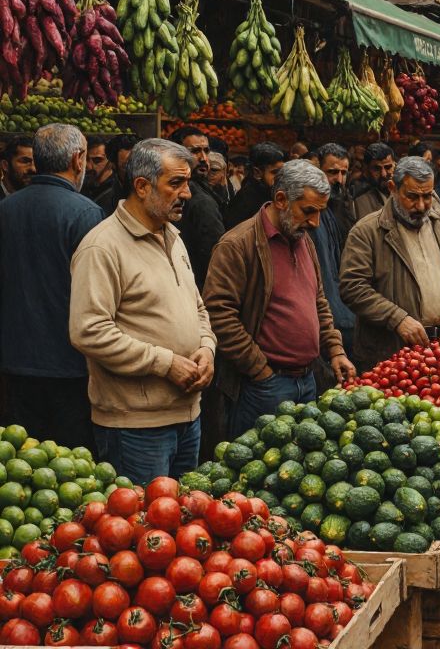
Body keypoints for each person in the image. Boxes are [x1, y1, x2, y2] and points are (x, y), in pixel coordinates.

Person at [69, 139, 216, 484]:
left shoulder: (173, 237)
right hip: (135, 426)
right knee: (144, 530)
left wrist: (208, 348)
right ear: (142, 185)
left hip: (187, 415)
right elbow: (88, 330)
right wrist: (164, 363)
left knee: (181, 524)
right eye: (176, 183)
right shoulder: (102, 247)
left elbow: (197, 306)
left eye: (188, 183)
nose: (187, 194)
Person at [205, 161, 355, 436]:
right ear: (281, 199)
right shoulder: (238, 245)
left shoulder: (302, 239)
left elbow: (318, 301)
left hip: (308, 380)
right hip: (265, 386)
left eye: (320, 212)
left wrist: (335, 351)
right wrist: (259, 369)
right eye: (308, 211)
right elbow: (219, 314)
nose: (315, 222)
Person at [0, 124, 104, 447]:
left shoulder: (5, 209)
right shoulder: (85, 213)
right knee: (69, 465)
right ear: (78, 160)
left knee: (20, 462)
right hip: (69, 367)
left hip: (13, 362)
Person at [340, 157, 440, 369]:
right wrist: (397, 318)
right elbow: (352, 287)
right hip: (391, 353)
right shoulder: (367, 232)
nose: (422, 205)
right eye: (412, 197)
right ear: (392, 189)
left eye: (427, 196)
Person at [311, 145, 356, 354]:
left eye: (343, 173)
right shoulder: (312, 215)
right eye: (332, 172)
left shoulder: (339, 205)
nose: (339, 179)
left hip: (342, 312)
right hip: (325, 318)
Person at [171, 128, 227, 289]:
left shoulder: (204, 194)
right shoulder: (200, 201)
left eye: (206, 151)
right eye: (195, 151)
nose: (203, 158)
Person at [223, 142, 285, 228]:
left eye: (282, 172)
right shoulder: (245, 201)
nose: (280, 178)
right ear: (257, 172)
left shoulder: (271, 193)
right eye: (275, 173)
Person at [349, 142, 397, 225]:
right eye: (377, 168)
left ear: (394, 165)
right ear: (366, 168)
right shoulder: (359, 196)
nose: (383, 174)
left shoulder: (400, 188)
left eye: (388, 167)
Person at [93, 134, 137, 215]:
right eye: (127, 166)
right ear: (113, 165)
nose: (135, 170)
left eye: (139, 164)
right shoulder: (103, 204)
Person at [82, 135, 112, 199]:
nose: (89, 166)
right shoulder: (83, 184)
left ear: (110, 161)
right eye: (85, 159)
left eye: (97, 160)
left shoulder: (116, 191)